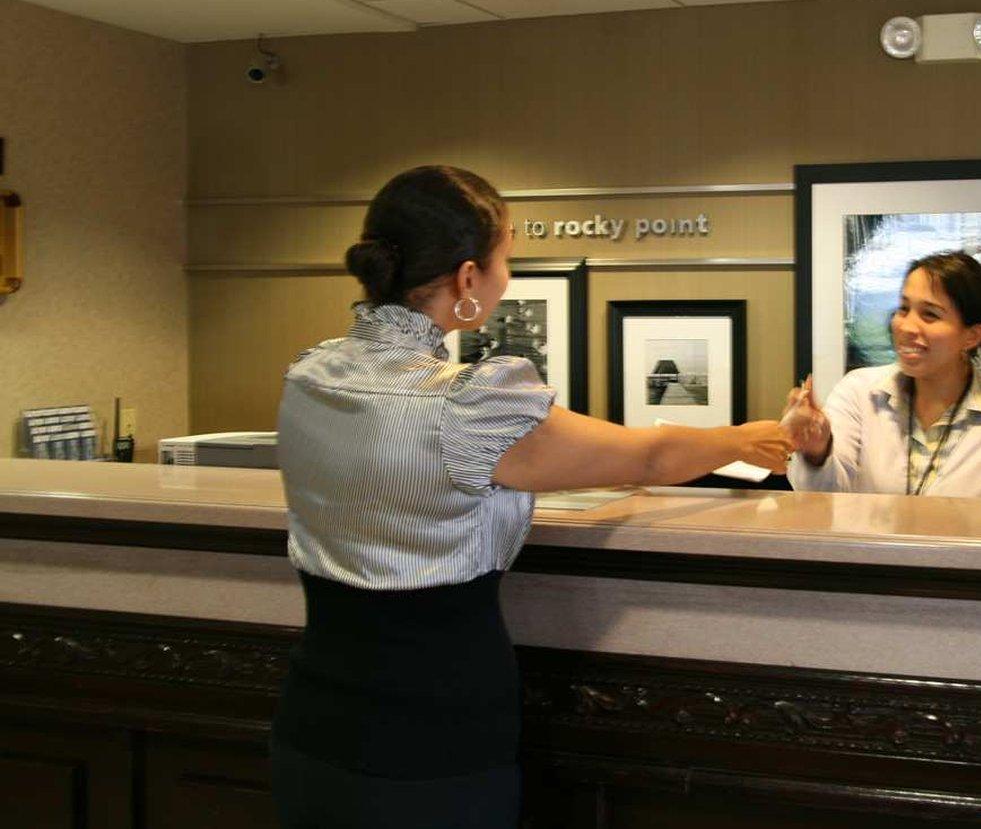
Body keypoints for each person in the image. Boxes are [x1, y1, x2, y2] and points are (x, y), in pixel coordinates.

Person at [269, 165, 791, 829]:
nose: (506, 275)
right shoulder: (467, 406)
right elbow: (646, 457)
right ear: (466, 278)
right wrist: (744, 437)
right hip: (433, 746)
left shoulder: (310, 374)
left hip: (311, 727)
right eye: (505, 258)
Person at [783, 250, 981, 498]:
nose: (906, 327)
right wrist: (817, 450)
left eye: (930, 314)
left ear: (972, 336)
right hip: (867, 538)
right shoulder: (859, 391)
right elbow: (822, 495)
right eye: (903, 309)